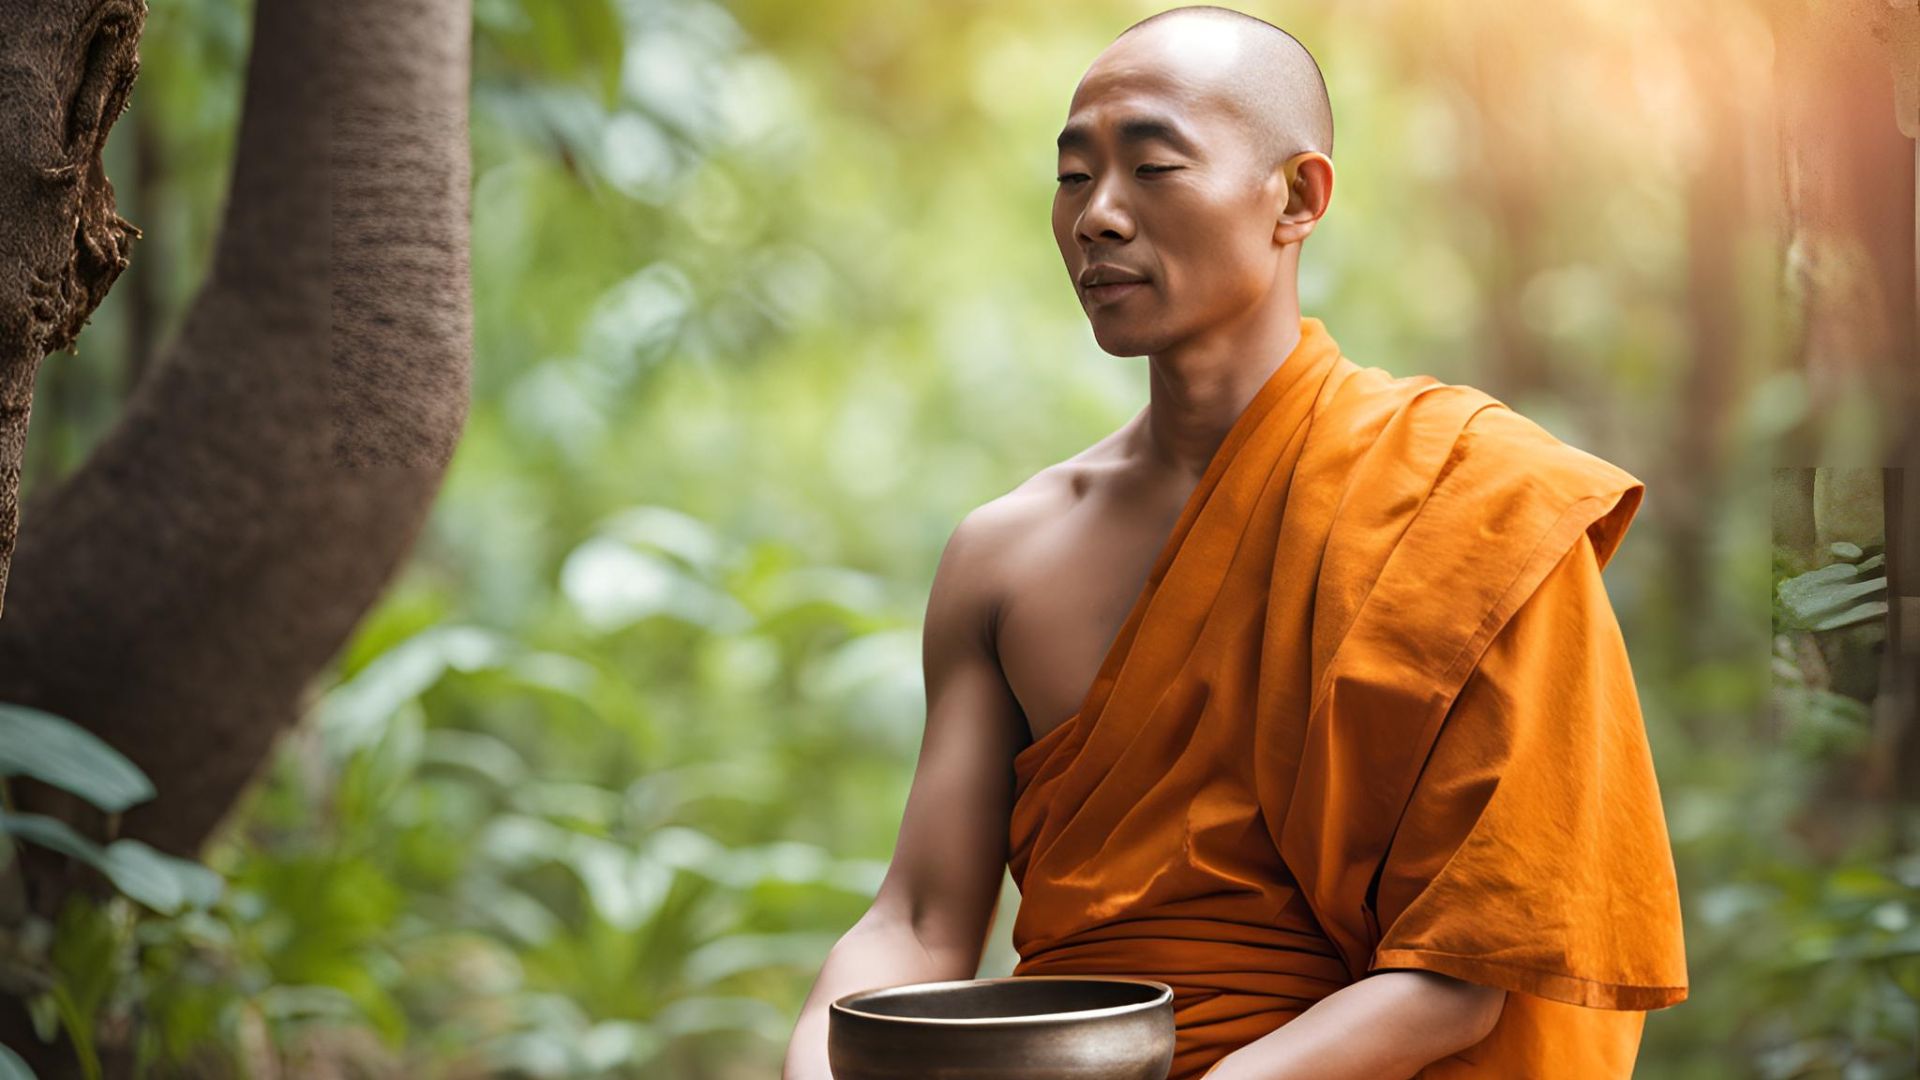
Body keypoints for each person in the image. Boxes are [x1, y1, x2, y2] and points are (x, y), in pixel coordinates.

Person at [781, 6, 1688, 1079]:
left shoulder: (1473, 505)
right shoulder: (1003, 558)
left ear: (1296, 199)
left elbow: (1460, 975)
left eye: (1153, 168)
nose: (1097, 217)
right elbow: (921, 918)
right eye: (1072, 178)